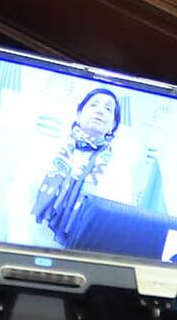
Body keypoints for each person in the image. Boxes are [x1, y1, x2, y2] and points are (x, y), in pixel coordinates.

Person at [29, 88, 124, 248]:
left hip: (84, 255)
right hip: (32, 246)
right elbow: (20, 196)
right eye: (93, 105)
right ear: (79, 115)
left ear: (112, 126)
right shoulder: (48, 149)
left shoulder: (119, 169)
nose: (100, 111)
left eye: (108, 109)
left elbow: (117, 222)